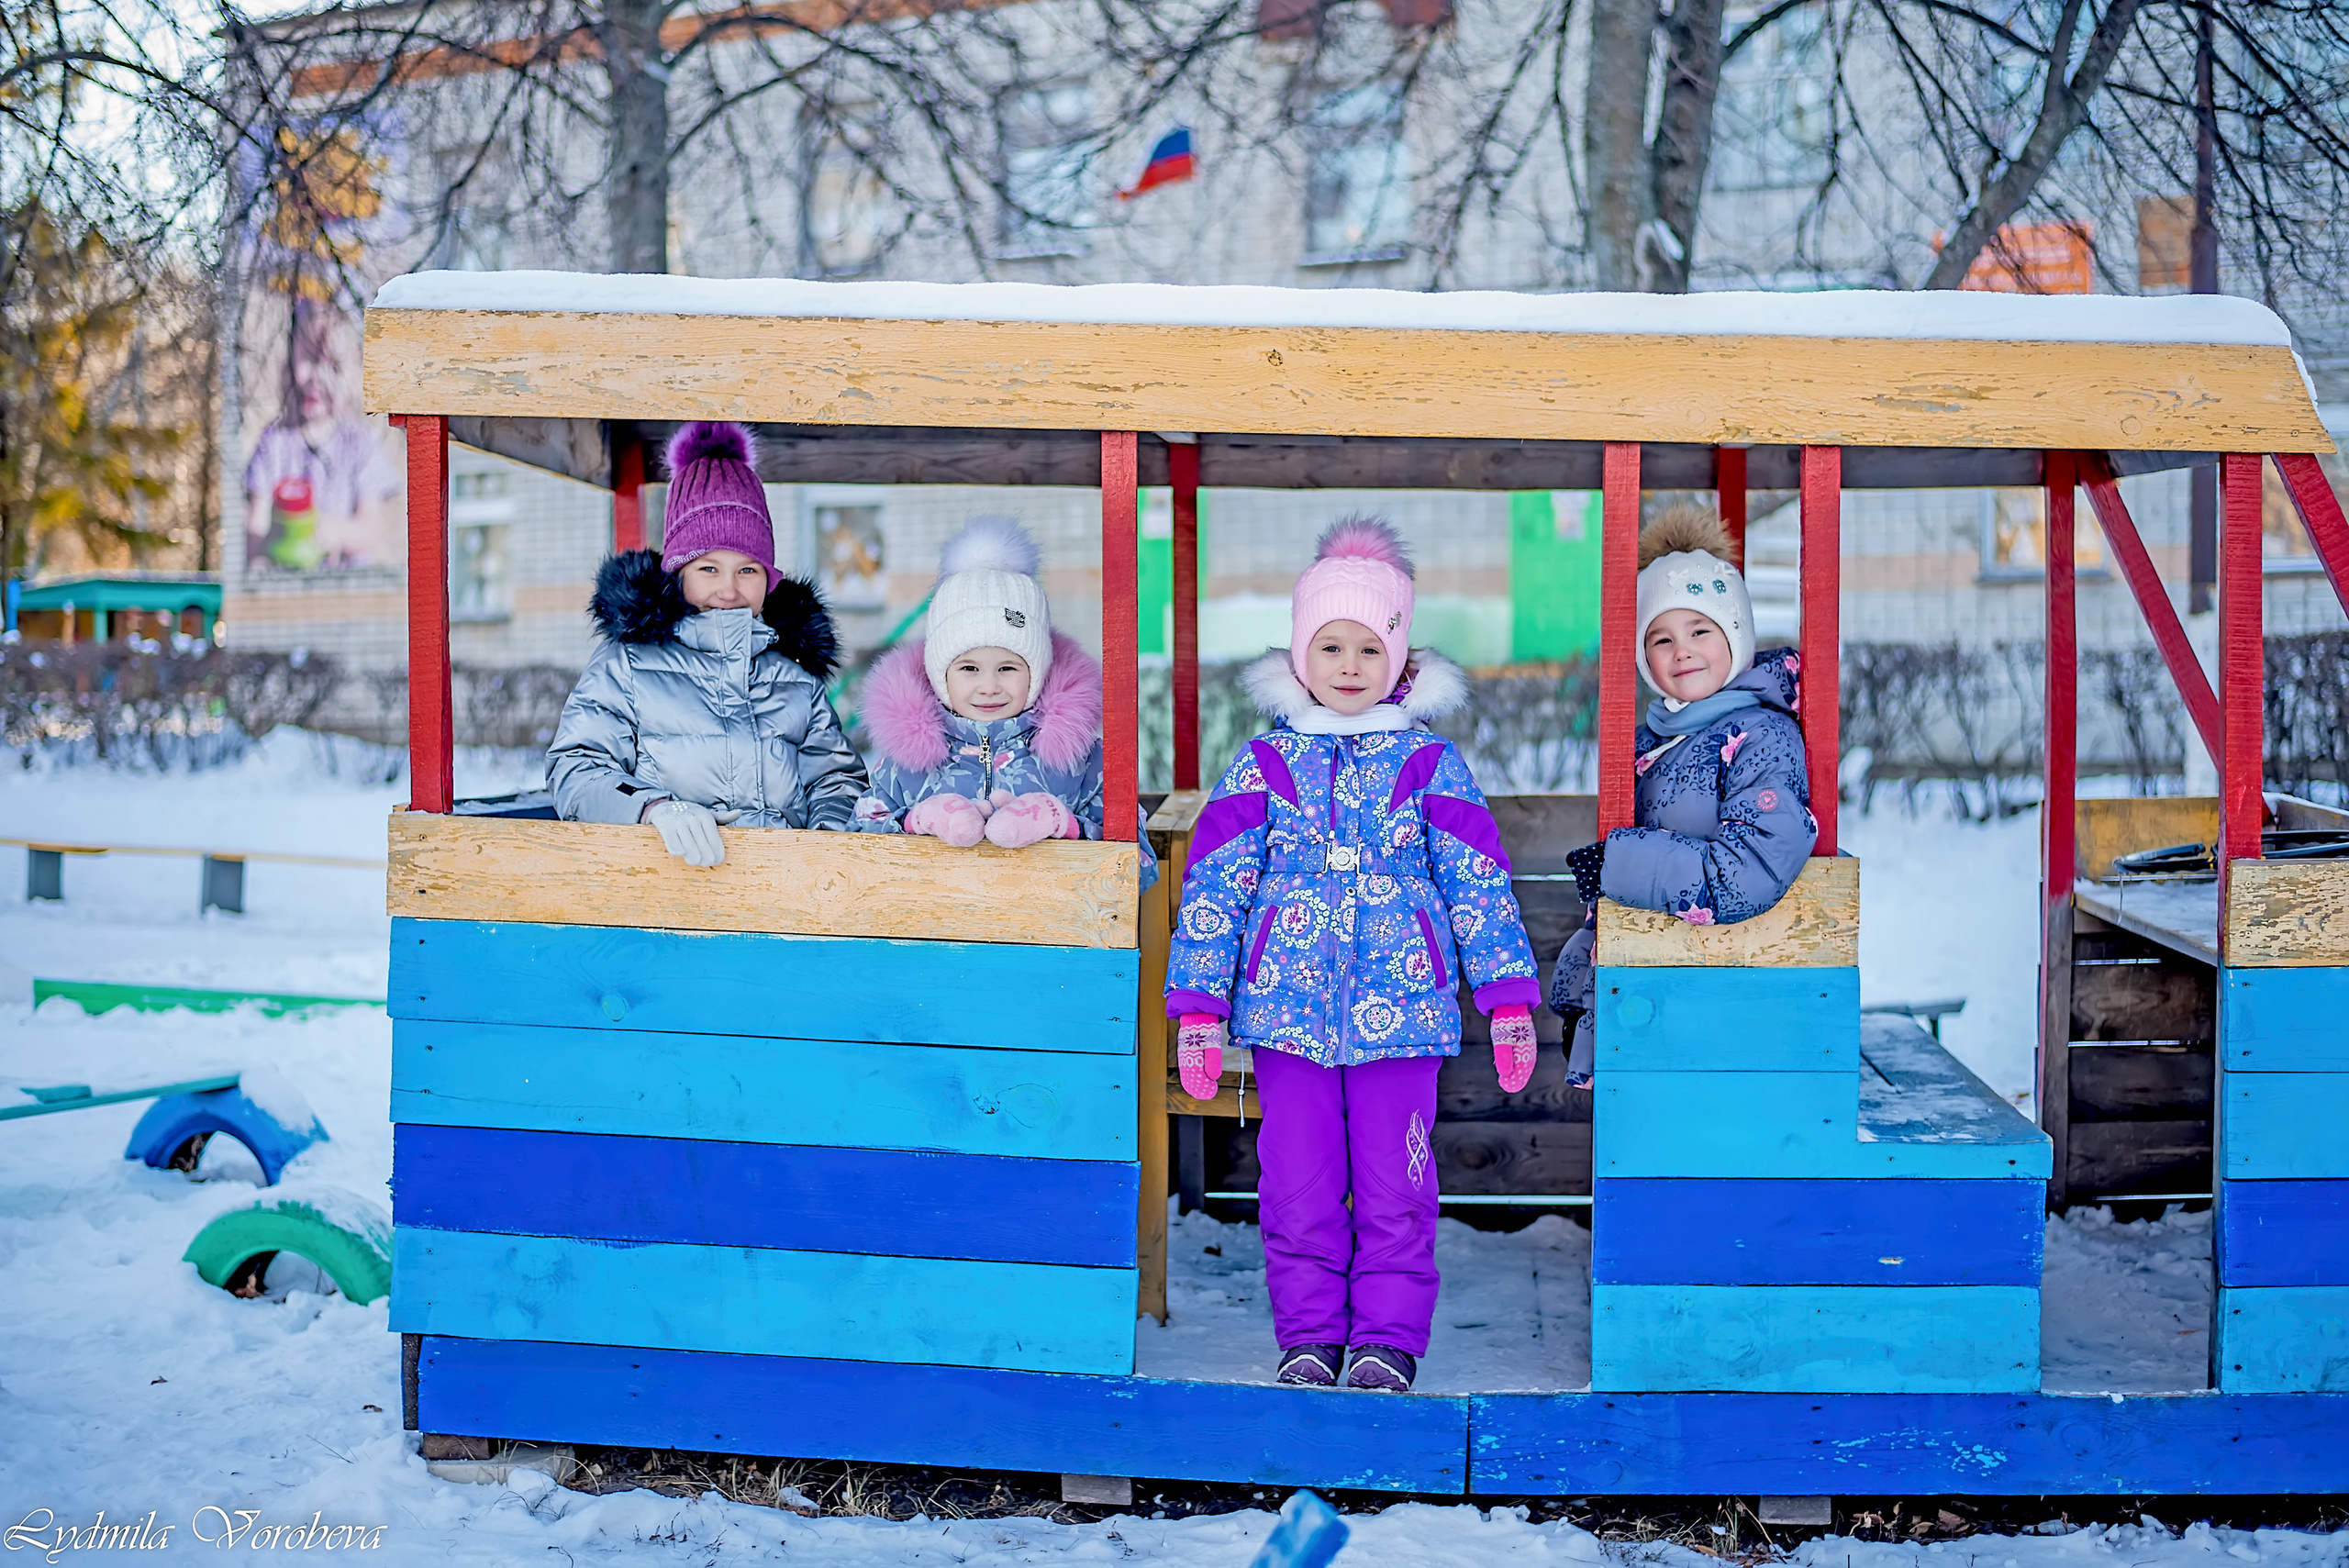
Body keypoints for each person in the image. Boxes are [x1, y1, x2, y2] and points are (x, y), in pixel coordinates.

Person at [1162, 517, 1541, 1395]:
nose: (1348, 665)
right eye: (1330, 645)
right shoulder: (1264, 764)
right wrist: (1200, 1008)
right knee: (1297, 1186)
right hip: (1287, 1018)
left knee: (1395, 1187)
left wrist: (1508, 997)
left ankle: (1386, 1341)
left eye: (1369, 648)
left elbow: (1477, 880)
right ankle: (1308, 1336)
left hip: (1401, 1020)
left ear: (1398, 661)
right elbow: (1215, 887)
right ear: (1301, 656)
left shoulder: (1429, 764)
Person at [1548, 505, 1817, 1083]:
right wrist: (1581, 990)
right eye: (1661, 638)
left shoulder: (1762, 736)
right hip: (1646, 995)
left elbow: (1746, 870)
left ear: (1735, 634)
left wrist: (1617, 863)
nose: (1681, 650)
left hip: (1728, 998)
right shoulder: (1652, 739)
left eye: (1700, 631)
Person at [547, 422, 867, 863]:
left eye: (748, 570)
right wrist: (652, 809)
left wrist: (822, 850)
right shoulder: (628, 664)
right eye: (709, 569)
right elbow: (576, 768)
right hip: (663, 891)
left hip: (785, 894)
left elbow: (837, 782)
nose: (729, 590)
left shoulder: (795, 677)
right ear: (678, 572)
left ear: (769, 580)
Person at [853, 517, 1114, 850]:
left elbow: (1136, 863)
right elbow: (854, 850)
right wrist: (915, 820)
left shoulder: (1083, 763)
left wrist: (1062, 824)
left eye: (1007, 668)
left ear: (1037, 673)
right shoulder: (902, 766)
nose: (989, 686)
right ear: (940, 675)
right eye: (969, 668)